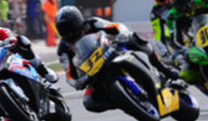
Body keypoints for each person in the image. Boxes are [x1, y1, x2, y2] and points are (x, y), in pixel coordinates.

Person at [54, 6, 185, 114]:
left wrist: (122, 34)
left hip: (110, 51)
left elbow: (115, 26)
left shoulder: (91, 23)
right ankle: (125, 101)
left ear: (77, 21)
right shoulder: (63, 48)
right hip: (92, 71)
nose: (67, 31)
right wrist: (77, 82)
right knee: (89, 102)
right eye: (62, 28)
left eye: (68, 26)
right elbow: (69, 73)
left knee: (135, 40)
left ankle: (166, 71)